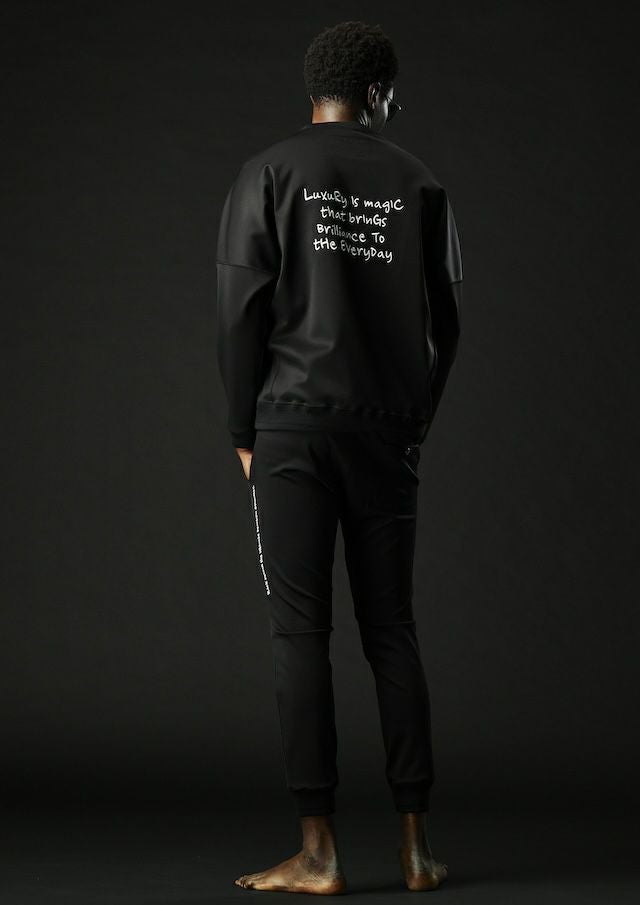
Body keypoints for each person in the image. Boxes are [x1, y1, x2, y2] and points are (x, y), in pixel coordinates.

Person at [216, 19, 462, 894]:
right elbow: (446, 324)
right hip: (385, 433)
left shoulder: (268, 172)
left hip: (290, 430)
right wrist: (411, 422)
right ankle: (415, 848)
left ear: (314, 91)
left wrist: (243, 431)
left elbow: (239, 310)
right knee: (392, 628)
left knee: (300, 634)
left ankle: (318, 851)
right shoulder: (420, 183)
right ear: (379, 93)